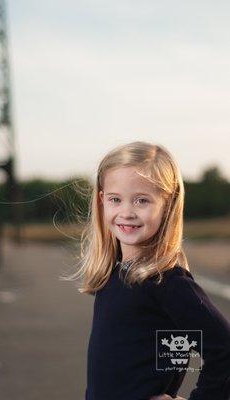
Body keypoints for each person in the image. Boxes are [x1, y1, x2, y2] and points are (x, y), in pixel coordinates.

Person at [63, 141, 230, 400]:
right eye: (115, 200)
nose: (126, 212)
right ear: (101, 201)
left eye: (142, 201)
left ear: (168, 205)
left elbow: (223, 348)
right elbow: (169, 355)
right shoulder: (115, 274)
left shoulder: (167, 283)